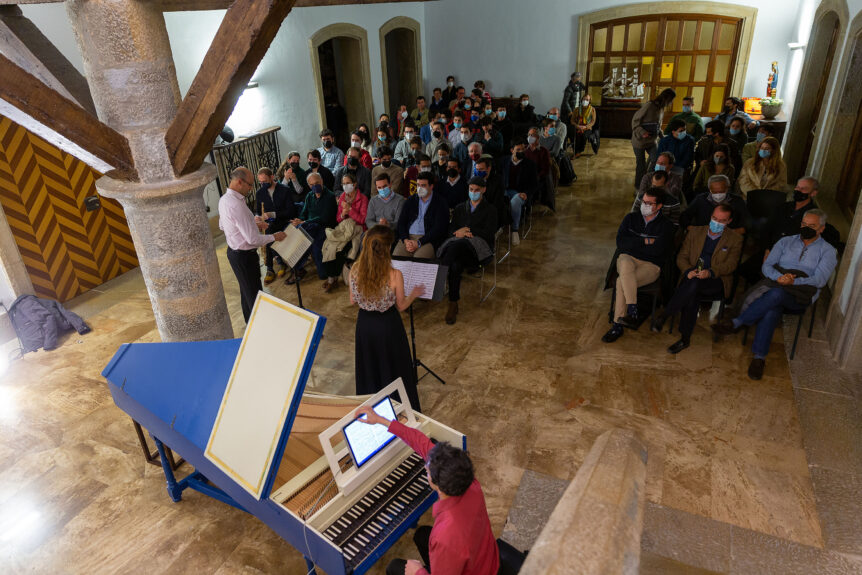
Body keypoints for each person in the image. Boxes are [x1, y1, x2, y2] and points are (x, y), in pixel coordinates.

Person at [352, 407, 499, 575]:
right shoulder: (471, 483)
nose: (425, 467)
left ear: (438, 486)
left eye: (428, 471)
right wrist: (381, 420)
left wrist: (418, 572)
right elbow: (421, 443)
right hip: (487, 559)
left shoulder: (444, 537)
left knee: (394, 567)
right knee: (421, 535)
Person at [713, 210, 837, 380]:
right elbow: (767, 266)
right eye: (804, 224)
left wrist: (793, 282)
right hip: (777, 283)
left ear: (821, 228)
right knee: (772, 308)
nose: (806, 228)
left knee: (776, 294)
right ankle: (759, 358)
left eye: (812, 226)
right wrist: (779, 277)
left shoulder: (828, 251)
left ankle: (738, 322)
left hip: (801, 294)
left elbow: (819, 279)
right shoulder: (785, 241)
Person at [650, 204, 742, 353]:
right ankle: (685, 338)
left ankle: (666, 314)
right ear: (710, 216)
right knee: (693, 289)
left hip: (716, 279)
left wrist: (710, 272)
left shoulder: (735, 239)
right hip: (692, 275)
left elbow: (731, 265)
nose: (716, 222)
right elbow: (682, 257)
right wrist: (687, 271)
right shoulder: (695, 232)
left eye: (721, 221)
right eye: (714, 218)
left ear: (729, 221)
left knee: (693, 286)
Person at [350, 226, 423, 412]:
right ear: (387, 248)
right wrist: (414, 294)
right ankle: (400, 409)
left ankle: (374, 410)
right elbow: (401, 305)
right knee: (394, 367)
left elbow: (352, 300)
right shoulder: (395, 274)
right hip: (388, 326)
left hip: (365, 326)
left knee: (370, 367)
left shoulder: (355, 270)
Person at [602, 187, 675, 343]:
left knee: (621, 281)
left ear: (659, 206)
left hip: (651, 265)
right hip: (627, 259)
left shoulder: (666, 226)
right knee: (625, 262)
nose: (644, 205)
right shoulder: (630, 218)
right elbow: (621, 243)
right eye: (643, 201)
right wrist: (646, 241)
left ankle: (617, 325)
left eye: (649, 203)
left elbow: (658, 251)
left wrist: (634, 244)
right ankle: (632, 309)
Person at [218, 167, 287, 322]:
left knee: (246, 293)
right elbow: (253, 240)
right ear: (239, 182)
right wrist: (274, 237)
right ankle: (259, 328)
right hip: (244, 257)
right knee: (255, 297)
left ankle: (249, 324)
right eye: (249, 184)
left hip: (235, 253)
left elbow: (224, 225)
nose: (251, 189)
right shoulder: (236, 204)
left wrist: (252, 223)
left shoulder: (224, 200)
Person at [438, 176, 498, 325]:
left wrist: (468, 231)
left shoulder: (490, 210)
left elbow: (489, 233)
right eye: (471, 189)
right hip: (458, 250)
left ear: (483, 190)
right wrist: (458, 232)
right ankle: (453, 303)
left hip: (478, 250)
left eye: (477, 190)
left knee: (458, 245)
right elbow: (451, 229)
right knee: (455, 264)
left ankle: (439, 277)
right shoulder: (460, 208)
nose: (473, 192)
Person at [321, 173, 368, 292]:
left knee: (340, 249)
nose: (345, 186)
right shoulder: (342, 196)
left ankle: (332, 279)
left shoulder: (363, 198)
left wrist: (350, 210)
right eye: (343, 184)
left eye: (348, 183)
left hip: (357, 229)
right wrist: (343, 214)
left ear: (354, 184)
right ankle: (332, 276)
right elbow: (338, 219)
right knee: (329, 245)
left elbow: (363, 220)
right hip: (344, 228)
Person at [288, 172, 337, 284]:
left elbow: (324, 218)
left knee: (308, 239)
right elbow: (304, 213)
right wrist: (299, 220)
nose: (315, 186)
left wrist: (304, 222)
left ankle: (297, 268)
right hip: (310, 227)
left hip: (325, 227)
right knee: (300, 231)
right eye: (312, 184)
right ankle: (297, 268)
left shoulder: (330, 196)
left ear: (322, 181)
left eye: (317, 183)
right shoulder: (309, 196)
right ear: (308, 185)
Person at [394, 171, 449, 259]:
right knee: (397, 259)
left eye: (423, 185)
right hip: (408, 237)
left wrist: (419, 242)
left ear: (431, 186)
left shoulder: (440, 202)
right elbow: (401, 222)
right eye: (418, 185)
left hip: (428, 239)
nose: (419, 188)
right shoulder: (411, 200)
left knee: (419, 261)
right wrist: (405, 239)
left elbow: (439, 228)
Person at [255, 167, 296, 284]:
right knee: (268, 233)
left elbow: (291, 211)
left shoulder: (285, 190)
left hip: (284, 221)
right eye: (260, 182)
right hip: (270, 224)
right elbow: (258, 211)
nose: (263, 184)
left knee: (271, 232)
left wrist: (273, 214)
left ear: (272, 177)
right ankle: (272, 267)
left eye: (265, 181)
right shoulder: (259, 193)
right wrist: (257, 216)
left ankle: (280, 263)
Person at [631, 88, 676, 188]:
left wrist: (662, 137)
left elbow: (658, 126)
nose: (671, 103)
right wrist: (642, 132)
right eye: (671, 100)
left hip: (652, 141)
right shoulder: (649, 105)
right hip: (639, 141)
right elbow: (635, 121)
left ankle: (648, 180)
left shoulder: (661, 108)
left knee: (656, 160)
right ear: (667, 98)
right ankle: (638, 187)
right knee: (641, 165)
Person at [500, 138, 539, 247]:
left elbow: (534, 184)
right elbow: (498, 178)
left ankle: (514, 230)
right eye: (518, 150)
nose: (521, 152)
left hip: (520, 193)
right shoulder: (503, 161)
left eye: (523, 149)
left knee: (515, 201)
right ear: (512, 150)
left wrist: (526, 193)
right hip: (505, 191)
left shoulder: (530, 164)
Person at [680, 174, 748, 231]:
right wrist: (692, 228)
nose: (718, 194)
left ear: (727, 188)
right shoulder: (700, 199)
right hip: (702, 235)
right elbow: (685, 216)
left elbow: (746, 222)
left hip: (729, 237)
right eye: (714, 192)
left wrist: (732, 233)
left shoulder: (737, 201)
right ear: (710, 189)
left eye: (721, 191)